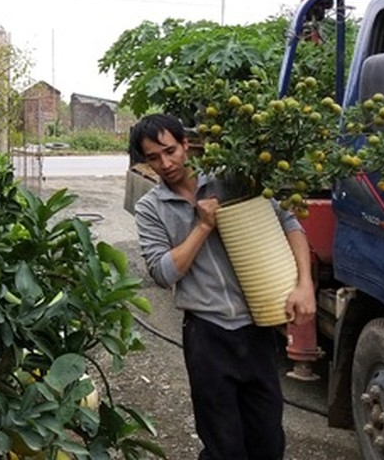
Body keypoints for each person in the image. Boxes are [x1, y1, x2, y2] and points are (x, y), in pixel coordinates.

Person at [130, 113, 315, 460]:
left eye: (170, 151)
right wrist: (202, 227)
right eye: (153, 158)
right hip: (207, 335)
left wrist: (304, 284)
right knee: (223, 446)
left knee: (268, 441)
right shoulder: (150, 208)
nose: (165, 163)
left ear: (186, 145)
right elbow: (163, 272)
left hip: (256, 328)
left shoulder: (232, 179)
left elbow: (289, 222)